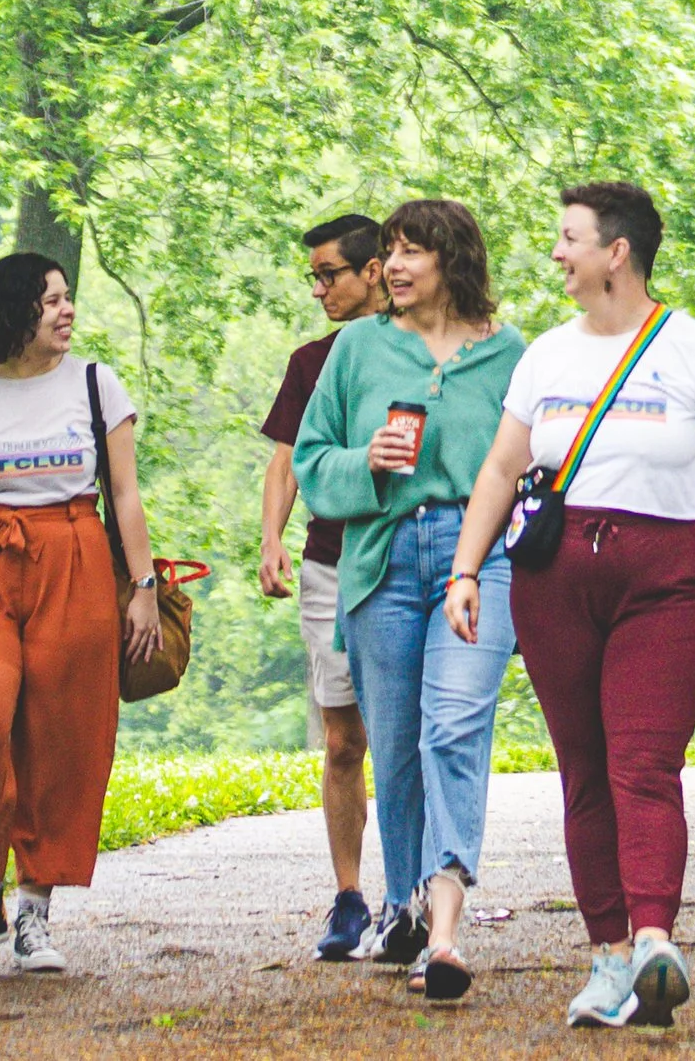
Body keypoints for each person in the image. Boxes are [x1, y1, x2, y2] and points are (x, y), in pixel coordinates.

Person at [445, 182, 695, 1034]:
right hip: (556, 578)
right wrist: (465, 572)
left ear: (617, 253)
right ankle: (608, 956)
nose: (556, 254)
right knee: (583, 769)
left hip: (667, 576)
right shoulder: (545, 359)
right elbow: (501, 471)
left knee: (642, 763)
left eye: (569, 239)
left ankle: (652, 941)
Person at [291, 194, 523, 1007]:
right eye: (388, 251)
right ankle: (404, 904)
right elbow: (312, 463)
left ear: (452, 260)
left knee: (453, 726)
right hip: (382, 559)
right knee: (393, 747)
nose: (391, 266)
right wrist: (369, 463)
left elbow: (532, 470)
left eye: (410, 250)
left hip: (478, 557)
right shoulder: (354, 349)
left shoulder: (509, 355)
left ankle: (446, 926)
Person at [0, 251, 163, 976]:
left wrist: (145, 586)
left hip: (75, 555)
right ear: (15, 310)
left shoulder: (96, 384)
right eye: (51, 300)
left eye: (68, 299)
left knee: (65, 736)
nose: (67, 311)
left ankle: (33, 909)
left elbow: (124, 494)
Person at [257, 210, 392, 960]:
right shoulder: (310, 360)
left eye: (329, 274)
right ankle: (348, 897)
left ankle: (415, 892)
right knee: (344, 738)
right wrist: (273, 538)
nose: (318, 289)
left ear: (374, 270)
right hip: (328, 564)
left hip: (403, 558)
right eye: (313, 276)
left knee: (407, 734)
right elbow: (285, 461)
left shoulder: (414, 348)